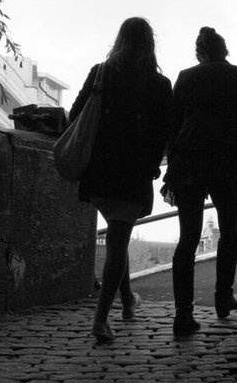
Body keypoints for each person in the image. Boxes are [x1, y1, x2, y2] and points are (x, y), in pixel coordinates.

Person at [67, 17, 175, 343]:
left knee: (117, 235)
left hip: (98, 171)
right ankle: (101, 320)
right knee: (117, 240)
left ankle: (128, 301)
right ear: (149, 44)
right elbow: (164, 132)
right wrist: (156, 165)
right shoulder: (159, 85)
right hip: (132, 172)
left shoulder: (101, 73)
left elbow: (75, 115)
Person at [164, 26, 237, 336]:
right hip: (227, 164)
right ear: (224, 50)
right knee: (229, 231)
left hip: (189, 164)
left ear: (199, 53)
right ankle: (223, 297)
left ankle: (183, 313)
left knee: (188, 238)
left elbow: (173, 125)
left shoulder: (185, 77)